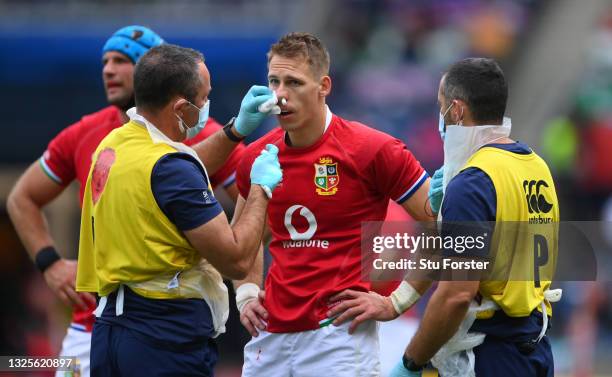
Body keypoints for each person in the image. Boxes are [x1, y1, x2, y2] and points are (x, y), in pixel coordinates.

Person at [6, 25, 248, 377]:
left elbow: (242, 201)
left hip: (150, 325)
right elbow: (22, 197)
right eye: (105, 61)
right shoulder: (90, 134)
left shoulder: (194, 135)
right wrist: (50, 263)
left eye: (122, 61)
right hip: (106, 325)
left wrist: (249, 292)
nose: (108, 70)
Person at [330, 58, 561, 377]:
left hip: (490, 354)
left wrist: (410, 362)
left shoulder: (474, 181)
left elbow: (456, 295)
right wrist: (396, 302)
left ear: (457, 110)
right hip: (534, 347)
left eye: (440, 106)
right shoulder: (536, 166)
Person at [232, 32, 442, 377]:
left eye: (294, 83)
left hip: (340, 340)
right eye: (274, 81)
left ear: (324, 86)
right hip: (268, 336)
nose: (280, 95)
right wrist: (247, 293)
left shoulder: (373, 149)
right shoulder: (258, 156)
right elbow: (242, 240)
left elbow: (442, 225)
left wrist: (397, 302)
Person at [75, 43, 282, 377]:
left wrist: (234, 131)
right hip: (163, 336)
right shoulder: (171, 170)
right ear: (182, 108)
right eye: (203, 98)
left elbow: (179, 167)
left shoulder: (114, 144)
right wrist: (261, 188)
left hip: (111, 329)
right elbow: (236, 259)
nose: (206, 105)